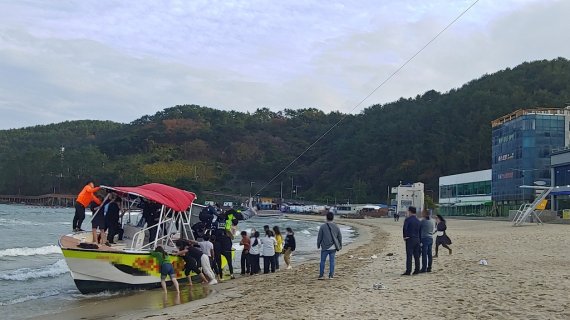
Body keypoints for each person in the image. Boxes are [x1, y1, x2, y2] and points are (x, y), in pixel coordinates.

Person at [317, 211, 342, 280]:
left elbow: (319, 237)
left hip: (325, 247)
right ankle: (331, 275)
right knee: (332, 261)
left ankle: (321, 275)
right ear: (333, 218)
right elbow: (339, 237)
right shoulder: (336, 226)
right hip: (333, 247)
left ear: (326, 217)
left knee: (322, 261)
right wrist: (340, 245)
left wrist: (318, 244)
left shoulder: (322, 226)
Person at [402, 206, 421, 275]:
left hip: (410, 239)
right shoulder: (418, 220)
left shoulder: (408, 220)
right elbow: (420, 230)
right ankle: (417, 270)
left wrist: (405, 236)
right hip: (417, 239)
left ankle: (408, 270)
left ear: (409, 211)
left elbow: (405, 228)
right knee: (416, 255)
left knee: (409, 255)